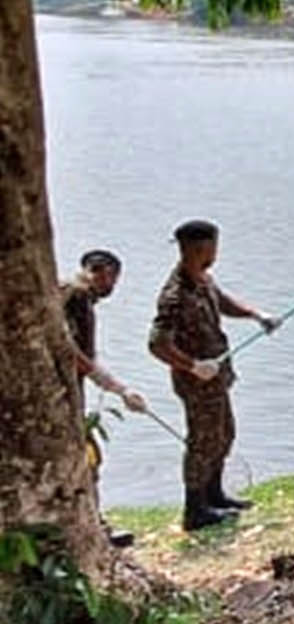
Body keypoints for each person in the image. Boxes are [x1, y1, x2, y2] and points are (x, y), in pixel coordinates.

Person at [148, 220, 281, 531]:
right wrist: (192, 365)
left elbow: (221, 302)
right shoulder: (174, 295)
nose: (215, 253)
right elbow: (157, 344)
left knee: (224, 434)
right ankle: (194, 510)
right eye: (212, 247)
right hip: (196, 382)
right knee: (202, 442)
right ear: (198, 249)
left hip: (217, 377)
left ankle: (214, 495)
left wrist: (255, 314)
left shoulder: (203, 280)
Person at [60, 249, 147, 548]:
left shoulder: (70, 293)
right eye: (114, 278)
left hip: (67, 393)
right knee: (88, 459)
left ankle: (90, 527)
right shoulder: (78, 297)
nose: (113, 286)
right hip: (61, 397)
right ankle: (94, 530)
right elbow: (70, 351)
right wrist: (118, 388)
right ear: (105, 273)